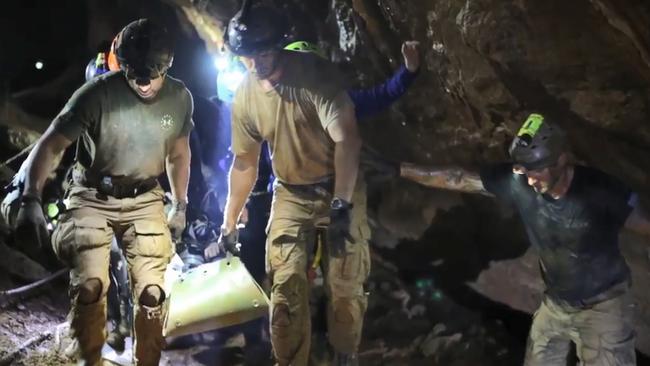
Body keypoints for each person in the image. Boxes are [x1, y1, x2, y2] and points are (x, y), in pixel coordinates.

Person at [383, 113, 650, 365]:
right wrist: (400, 169)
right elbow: (459, 178)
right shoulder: (519, 182)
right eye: (524, 169)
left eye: (537, 169)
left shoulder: (600, 191)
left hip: (603, 307)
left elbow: (645, 225)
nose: (530, 178)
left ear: (561, 160)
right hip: (556, 304)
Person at [14, 18, 193, 366]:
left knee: (153, 293)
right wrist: (30, 198)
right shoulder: (96, 94)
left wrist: (181, 204)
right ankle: (89, 357)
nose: (142, 82)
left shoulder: (178, 98)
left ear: (167, 66)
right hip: (93, 194)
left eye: (151, 74)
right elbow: (51, 145)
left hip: (144, 197)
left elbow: (179, 154)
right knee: (90, 285)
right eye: (134, 73)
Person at [208, 2, 368, 365]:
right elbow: (245, 162)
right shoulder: (247, 95)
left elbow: (347, 140)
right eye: (248, 55)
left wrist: (342, 203)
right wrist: (229, 222)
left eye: (263, 52)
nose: (255, 63)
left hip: (338, 186)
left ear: (280, 43)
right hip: (291, 193)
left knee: (345, 291)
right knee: (284, 293)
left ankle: (344, 357)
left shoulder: (316, 78)